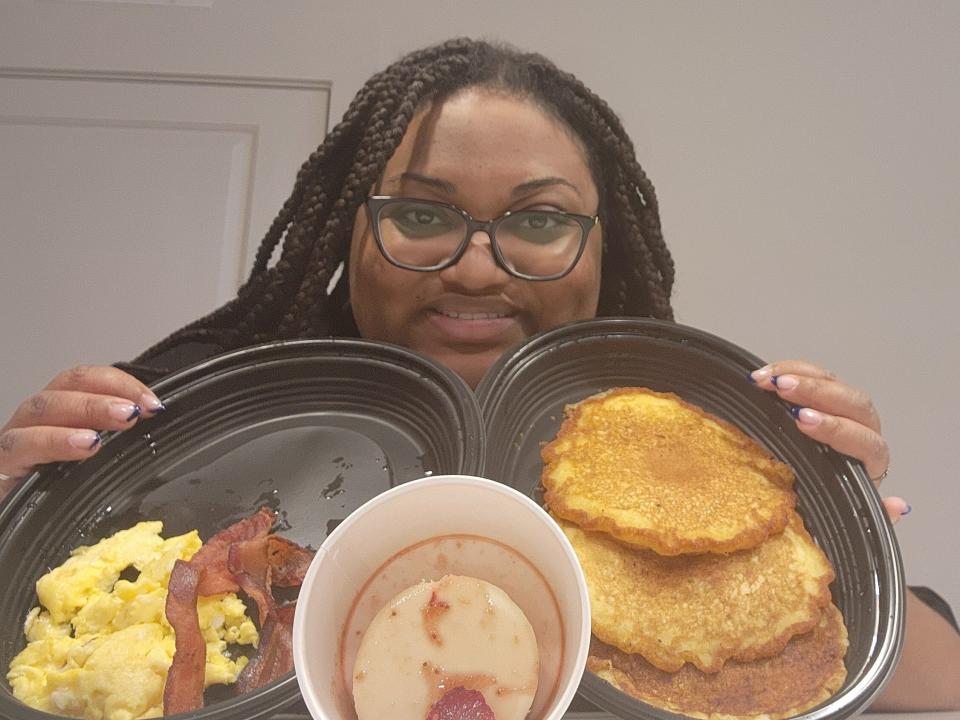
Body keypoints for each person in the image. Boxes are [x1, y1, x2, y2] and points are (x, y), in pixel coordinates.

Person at [0, 38, 956, 710]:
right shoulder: (192, 413)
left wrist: (839, 539)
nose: (475, 265)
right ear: (351, 229)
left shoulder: (705, 443)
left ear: (600, 247)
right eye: (423, 214)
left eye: (539, 221)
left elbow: (934, 683)